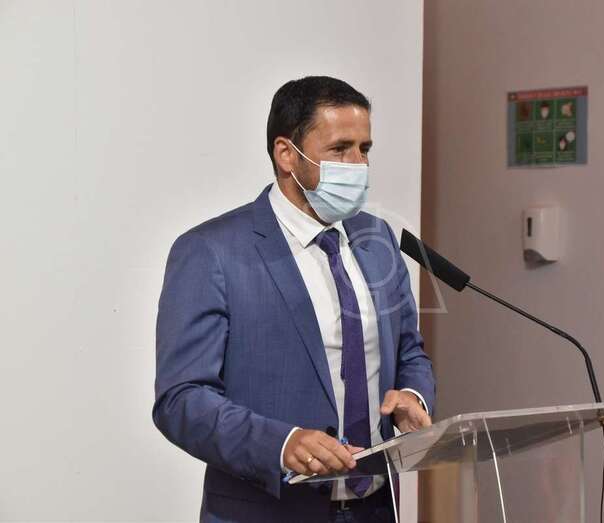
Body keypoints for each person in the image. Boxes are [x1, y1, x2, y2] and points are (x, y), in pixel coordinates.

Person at [152, 75, 436, 522]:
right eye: (340, 149)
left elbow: (409, 350)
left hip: (377, 507)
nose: (358, 165)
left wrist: (414, 397)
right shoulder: (211, 252)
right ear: (286, 154)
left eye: (364, 149)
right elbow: (182, 399)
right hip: (269, 509)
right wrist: (281, 445)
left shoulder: (377, 238)